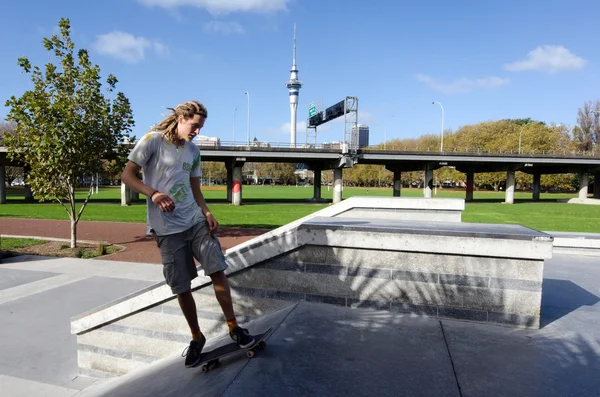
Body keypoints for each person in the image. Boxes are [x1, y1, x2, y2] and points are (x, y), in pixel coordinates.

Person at [121, 100, 254, 368]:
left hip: (195, 221)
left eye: (200, 127)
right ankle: (196, 337)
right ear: (181, 118)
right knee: (181, 287)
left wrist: (206, 213)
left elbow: (195, 189)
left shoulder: (194, 151)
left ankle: (233, 327)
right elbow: (127, 176)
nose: (196, 132)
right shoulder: (152, 141)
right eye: (194, 126)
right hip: (167, 230)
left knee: (217, 270)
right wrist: (154, 193)